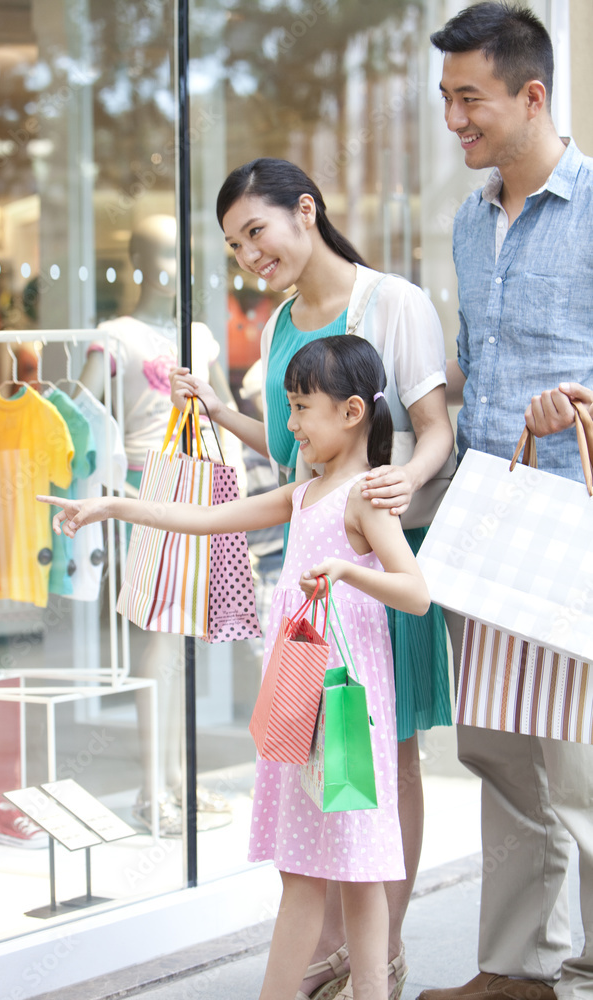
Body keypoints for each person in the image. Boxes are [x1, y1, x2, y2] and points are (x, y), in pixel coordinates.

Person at [39, 334, 431, 1000]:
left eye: (301, 407)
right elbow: (204, 517)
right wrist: (113, 506)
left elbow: (416, 593)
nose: (290, 425)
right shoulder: (304, 493)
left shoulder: (363, 495)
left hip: (345, 708)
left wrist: (345, 571)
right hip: (297, 703)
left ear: (351, 411)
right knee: (302, 868)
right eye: (290, 407)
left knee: (359, 871)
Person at [169, 157, 454, 1000]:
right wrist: (221, 411)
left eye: (255, 230)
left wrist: (404, 480)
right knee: (322, 768)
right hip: (322, 569)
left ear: (305, 210)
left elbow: (433, 427)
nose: (248, 253)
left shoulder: (394, 301)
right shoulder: (278, 325)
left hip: (379, 558)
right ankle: (343, 958)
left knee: (382, 762)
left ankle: (382, 952)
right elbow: (297, 454)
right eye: (232, 244)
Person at [423, 6, 593, 1000]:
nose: (454, 119)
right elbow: (476, 361)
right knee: (493, 742)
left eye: (469, 98)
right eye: (445, 99)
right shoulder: (465, 224)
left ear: (531, 96)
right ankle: (519, 967)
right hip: (486, 513)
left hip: (571, 519)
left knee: (573, 756)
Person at [79, 214, 235, 837]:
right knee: (161, 636)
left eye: (181, 256)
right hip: (148, 488)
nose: (175, 270)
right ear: (140, 262)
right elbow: (80, 409)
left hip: (199, 491)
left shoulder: (197, 334)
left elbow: (220, 412)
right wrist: (109, 481)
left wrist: (236, 484)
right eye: (164, 256)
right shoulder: (114, 336)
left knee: (182, 639)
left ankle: (175, 781)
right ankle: (153, 789)